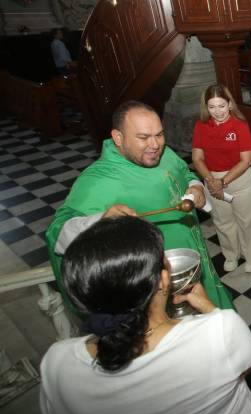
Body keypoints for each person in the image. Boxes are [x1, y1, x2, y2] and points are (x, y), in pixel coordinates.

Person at [40, 217, 251, 414]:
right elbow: (246, 367)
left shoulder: (56, 362)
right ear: (164, 280)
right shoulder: (219, 330)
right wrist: (211, 310)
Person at [45, 101, 234, 311]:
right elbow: (57, 232)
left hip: (192, 259)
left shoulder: (161, 154)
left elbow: (185, 173)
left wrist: (195, 187)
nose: (155, 145)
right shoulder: (97, 180)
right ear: (118, 138)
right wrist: (101, 222)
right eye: (143, 137)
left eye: (160, 135)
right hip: (155, 286)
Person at [192, 85, 251, 273]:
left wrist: (222, 182)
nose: (217, 111)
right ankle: (231, 255)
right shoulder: (201, 125)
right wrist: (211, 180)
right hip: (212, 179)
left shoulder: (239, 125)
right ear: (206, 107)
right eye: (212, 107)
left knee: (248, 221)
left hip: (239, 180)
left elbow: (247, 159)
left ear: (230, 104)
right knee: (223, 222)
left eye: (221, 106)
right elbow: (197, 158)